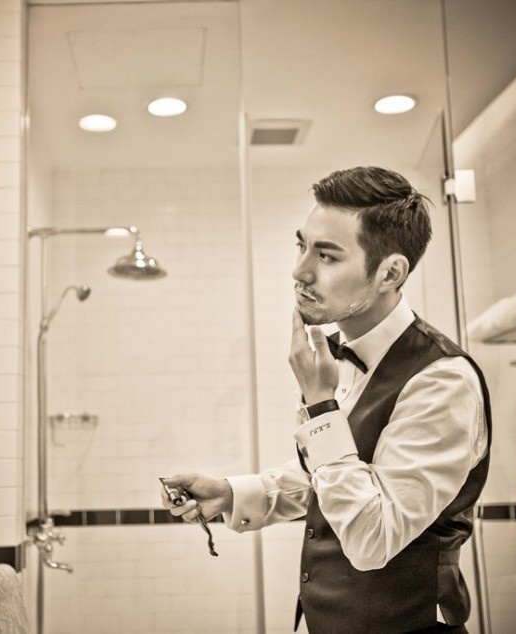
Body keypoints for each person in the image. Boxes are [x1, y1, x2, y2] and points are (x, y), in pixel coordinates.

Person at [161, 166, 491, 634]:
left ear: (390, 273)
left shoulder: (442, 381)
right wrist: (234, 493)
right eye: (302, 247)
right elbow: (333, 483)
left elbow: (372, 538)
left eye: (327, 256)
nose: (299, 272)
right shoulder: (335, 358)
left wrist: (321, 405)